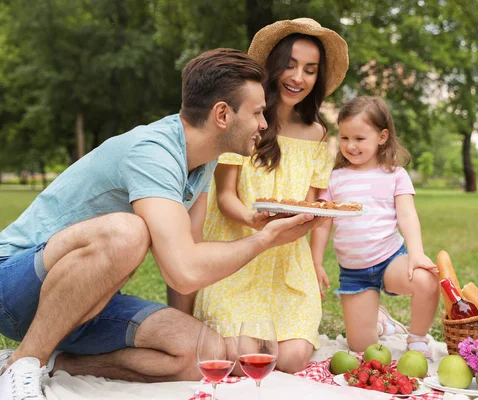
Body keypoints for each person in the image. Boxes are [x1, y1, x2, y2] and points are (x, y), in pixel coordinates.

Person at [0, 48, 326, 400]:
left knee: (205, 354)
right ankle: (26, 361)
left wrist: (178, 330)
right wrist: (265, 239)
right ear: (222, 114)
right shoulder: (152, 153)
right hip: (15, 286)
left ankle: (57, 362)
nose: (263, 124)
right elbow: (182, 271)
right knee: (129, 232)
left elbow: (192, 253)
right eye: (257, 112)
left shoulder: (204, 160)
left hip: (84, 304)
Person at [177, 18, 349, 374]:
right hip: (237, 249)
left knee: (291, 359)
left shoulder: (318, 133)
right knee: (243, 354)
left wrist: (316, 261)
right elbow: (224, 197)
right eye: (289, 65)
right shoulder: (244, 119)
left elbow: (310, 203)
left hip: (288, 259)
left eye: (309, 70)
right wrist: (253, 220)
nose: (298, 77)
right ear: (272, 67)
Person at [311, 96, 440, 359]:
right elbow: (323, 223)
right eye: (345, 138)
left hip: (390, 260)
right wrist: (316, 261)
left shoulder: (395, 175)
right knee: (360, 348)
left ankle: (416, 338)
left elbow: (407, 215)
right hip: (354, 273)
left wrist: (415, 253)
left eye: (360, 138)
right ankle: (380, 322)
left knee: (427, 280)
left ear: (382, 137)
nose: (351, 145)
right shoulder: (334, 178)